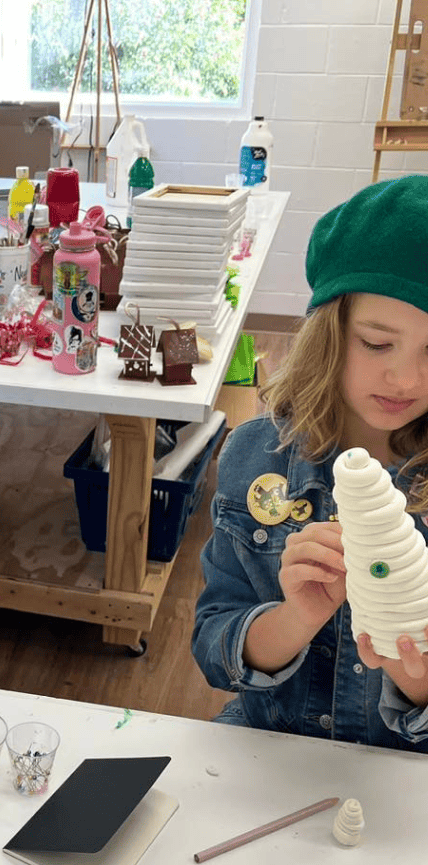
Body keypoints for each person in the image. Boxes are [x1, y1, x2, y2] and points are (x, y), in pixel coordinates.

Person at [193, 174, 428, 753]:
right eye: (377, 343)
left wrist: (407, 666)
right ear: (331, 330)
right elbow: (214, 645)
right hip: (269, 744)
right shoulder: (255, 456)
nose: (406, 379)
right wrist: (297, 616)